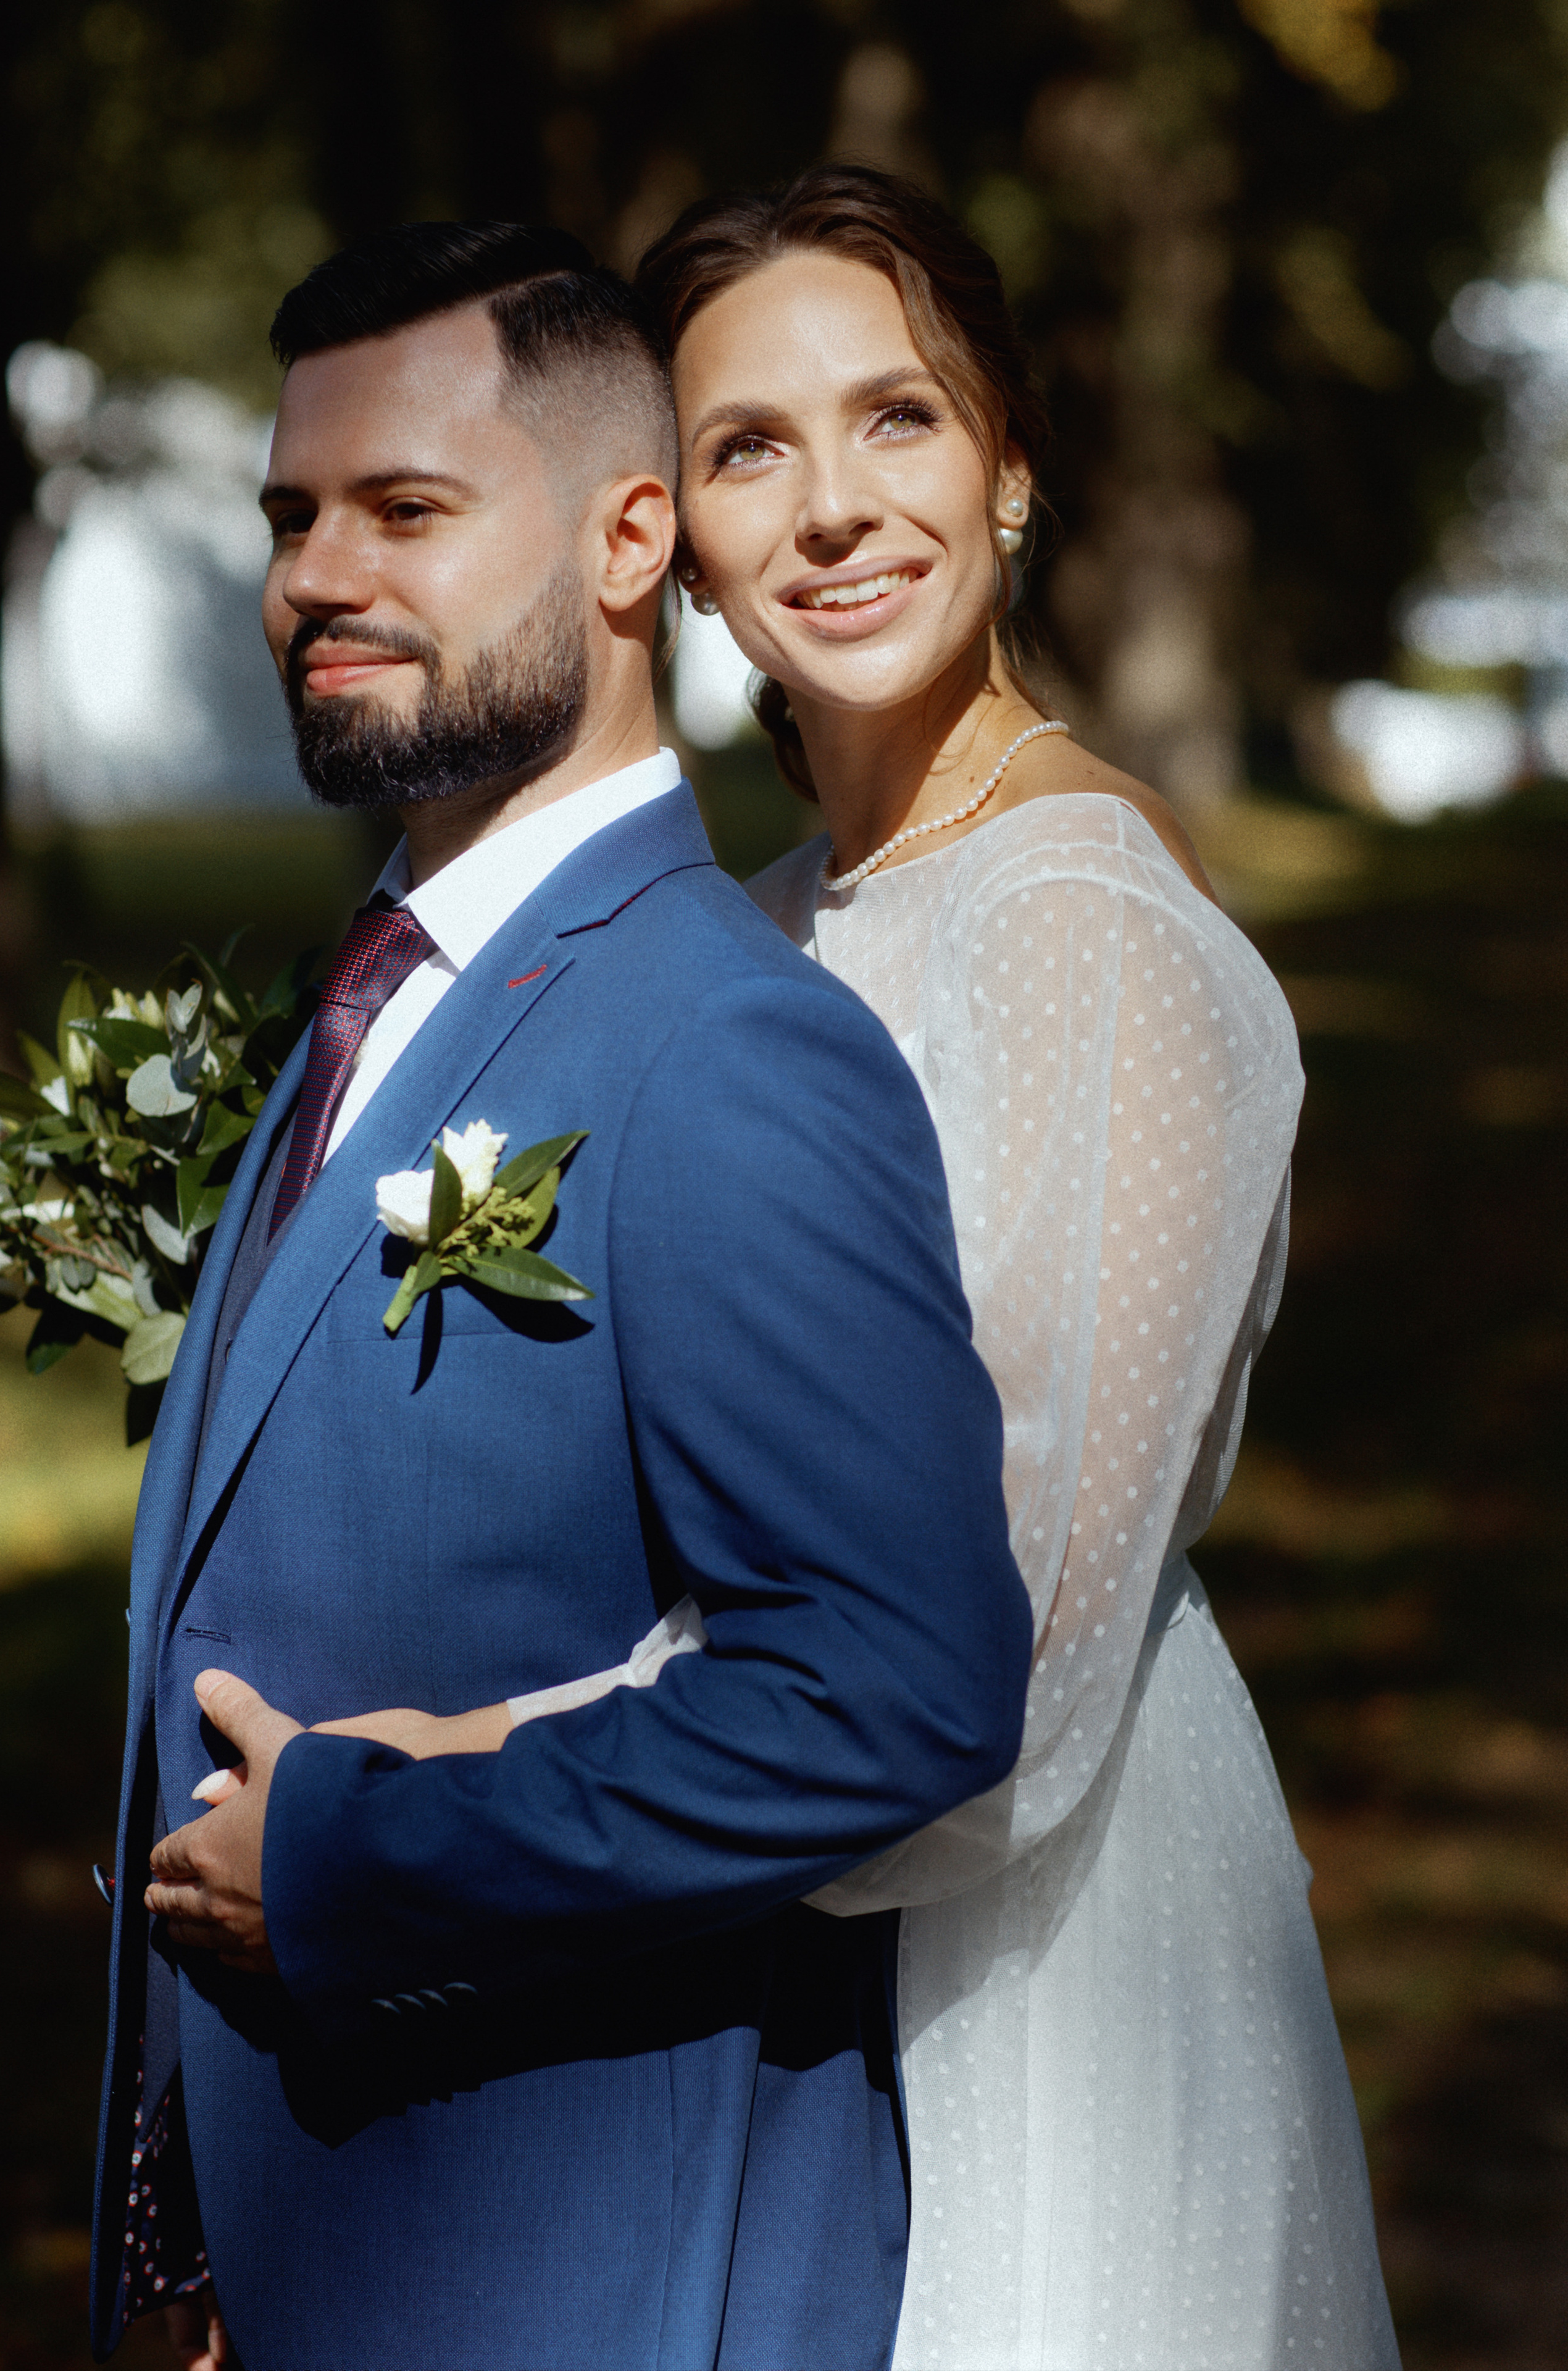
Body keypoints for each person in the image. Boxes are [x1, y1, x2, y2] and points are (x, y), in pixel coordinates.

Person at [100, 220, 1035, 2371]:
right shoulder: (380, 993)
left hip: (566, 2274)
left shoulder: (727, 1047)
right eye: (292, 516)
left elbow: (894, 1687)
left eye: (406, 508)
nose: (320, 576)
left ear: (631, 541)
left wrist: (359, 1866)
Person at [631, 164, 1403, 2370]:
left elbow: (1018, 1662)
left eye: (899, 417)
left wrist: (496, 1778)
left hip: (1034, 1959)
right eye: (748, 448)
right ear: (674, 541)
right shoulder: (762, 926)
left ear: (1014, 469)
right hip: (764, 1910)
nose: (832, 508)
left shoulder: (1087, 926)